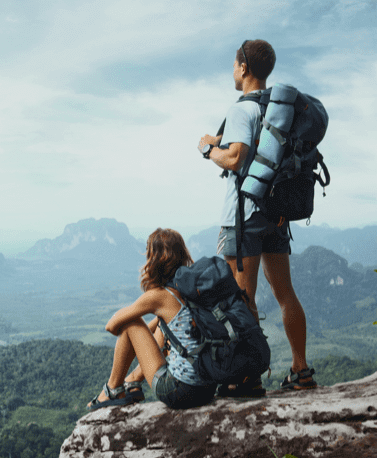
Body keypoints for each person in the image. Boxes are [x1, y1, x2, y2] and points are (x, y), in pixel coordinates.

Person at [197, 39, 316, 391]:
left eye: (235, 65)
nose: (233, 71)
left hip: (244, 216)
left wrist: (207, 149)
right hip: (277, 214)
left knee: (241, 298)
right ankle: (301, 370)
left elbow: (234, 158)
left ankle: (247, 376)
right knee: (285, 294)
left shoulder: (241, 110)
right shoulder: (279, 111)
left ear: (244, 67)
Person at [87, 228, 217, 411]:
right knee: (159, 324)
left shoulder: (160, 296)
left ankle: (112, 390)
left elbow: (112, 326)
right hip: (208, 388)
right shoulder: (192, 289)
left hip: (180, 391)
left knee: (131, 323)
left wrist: (131, 322)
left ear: (154, 259)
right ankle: (132, 382)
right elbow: (163, 330)